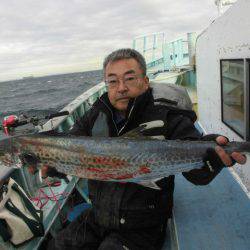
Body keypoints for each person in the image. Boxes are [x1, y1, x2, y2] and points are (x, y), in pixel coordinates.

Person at [47, 48, 246, 250]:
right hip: (98, 216)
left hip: (142, 226)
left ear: (146, 81)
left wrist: (209, 157)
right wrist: (55, 164)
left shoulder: (169, 117)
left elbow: (196, 175)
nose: (121, 88)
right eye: (113, 81)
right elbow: (70, 147)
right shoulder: (94, 115)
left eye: (130, 78)